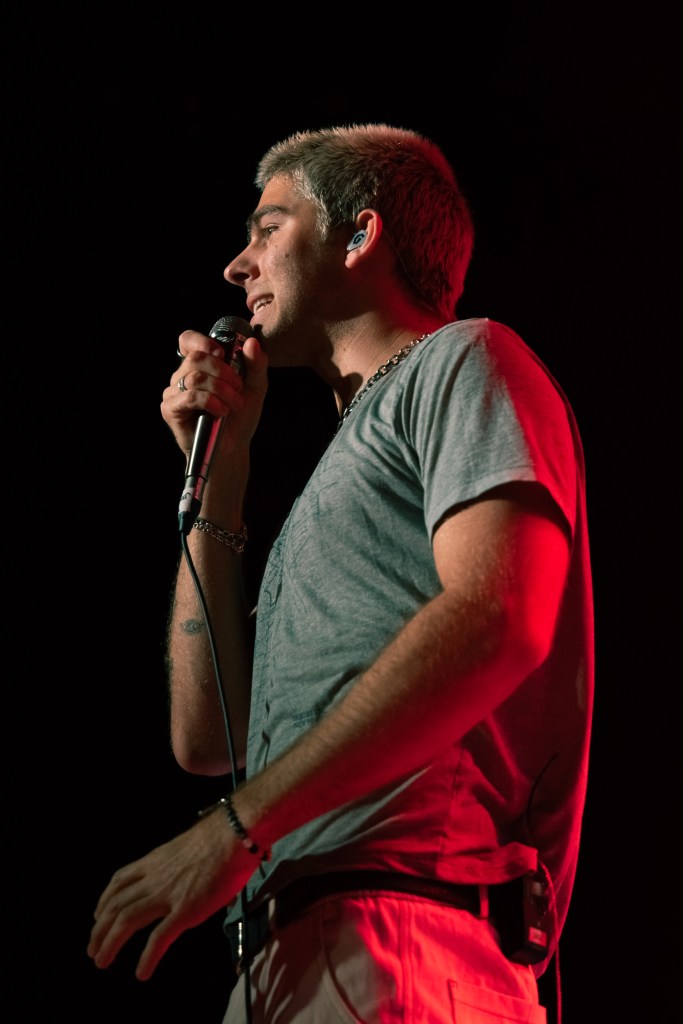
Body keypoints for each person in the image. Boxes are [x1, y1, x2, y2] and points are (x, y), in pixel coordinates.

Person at [88, 123, 594, 1023]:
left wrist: (235, 830)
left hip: (401, 929)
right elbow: (207, 740)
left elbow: (500, 615)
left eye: (268, 227)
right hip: (292, 952)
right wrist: (221, 480)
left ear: (359, 236)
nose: (236, 266)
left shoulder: (465, 358)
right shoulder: (329, 478)